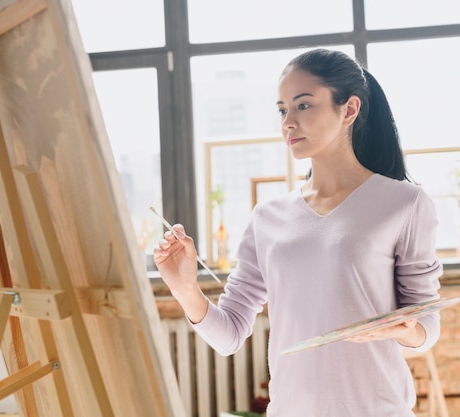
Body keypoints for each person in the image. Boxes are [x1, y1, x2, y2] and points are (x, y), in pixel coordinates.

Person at [154, 48, 443, 416]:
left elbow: (427, 326)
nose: (288, 121)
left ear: (349, 109)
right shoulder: (268, 217)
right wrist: (184, 287)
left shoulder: (405, 203)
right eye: (282, 110)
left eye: (303, 105)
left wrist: (401, 328)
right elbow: (228, 336)